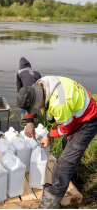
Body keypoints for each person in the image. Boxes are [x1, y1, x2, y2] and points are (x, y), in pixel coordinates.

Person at [17, 76, 97, 209]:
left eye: (35, 108)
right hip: (75, 113)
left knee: (64, 164)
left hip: (86, 121)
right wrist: (29, 122)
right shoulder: (39, 86)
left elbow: (66, 128)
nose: (36, 110)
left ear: (40, 99)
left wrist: (49, 135)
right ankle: (71, 178)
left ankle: (48, 205)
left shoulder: (58, 103)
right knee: (67, 146)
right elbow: (29, 101)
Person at [15, 57, 41, 129]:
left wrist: (20, 97)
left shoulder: (19, 72)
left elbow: (18, 87)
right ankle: (34, 124)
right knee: (33, 107)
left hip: (27, 93)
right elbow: (40, 84)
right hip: (38, 94)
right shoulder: (37, 72)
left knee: (24, 105)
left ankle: (24, 126)